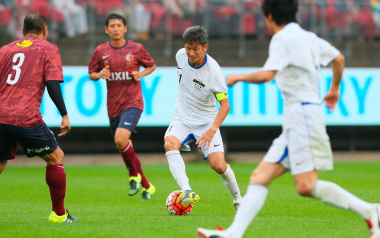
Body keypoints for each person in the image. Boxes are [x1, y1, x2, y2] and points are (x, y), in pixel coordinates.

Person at [197, 0, 379, 237]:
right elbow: (339, 59)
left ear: (269, 16)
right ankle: (233, 233)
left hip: (301, 116)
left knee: (306, 185)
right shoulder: (309, 37)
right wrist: (334, 88)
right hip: (303, 116)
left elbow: (267, 75)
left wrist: (236, 77)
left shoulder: (282, 38)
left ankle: (371, 211)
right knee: (261, 177)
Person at [0, 12, 78, 224]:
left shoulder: (6, 49)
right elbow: (52, 83)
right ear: (45, 31)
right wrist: (64, 114)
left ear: (22, 31)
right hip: (26, 117)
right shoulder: (49, 48)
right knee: (56, 157)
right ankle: (59, 215)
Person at [164, 25, 243, 209]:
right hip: (182, 118)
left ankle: (239, 201)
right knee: (170, 143)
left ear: (205, 47)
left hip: (206, 122)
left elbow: (225, 105)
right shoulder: (180, 56)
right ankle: (187, 190)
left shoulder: (213, 72)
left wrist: (212, 129)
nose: (190, 53)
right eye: (188, 48)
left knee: (218, 165)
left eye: (195, 49)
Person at [88, 13, 157, 200]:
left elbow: (151, 66)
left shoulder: (136, 48)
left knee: (120, 139)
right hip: (113, 106)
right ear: (106, 29)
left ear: (125, 28)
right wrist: (100, 74)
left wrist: (141, 75)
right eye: (112, 26)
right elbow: (91, 74)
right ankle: (147, 186)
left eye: (119, 25)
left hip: (133, 102)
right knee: (124, 145)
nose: (116, 29)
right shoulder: (101, 50)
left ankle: (133, 176)